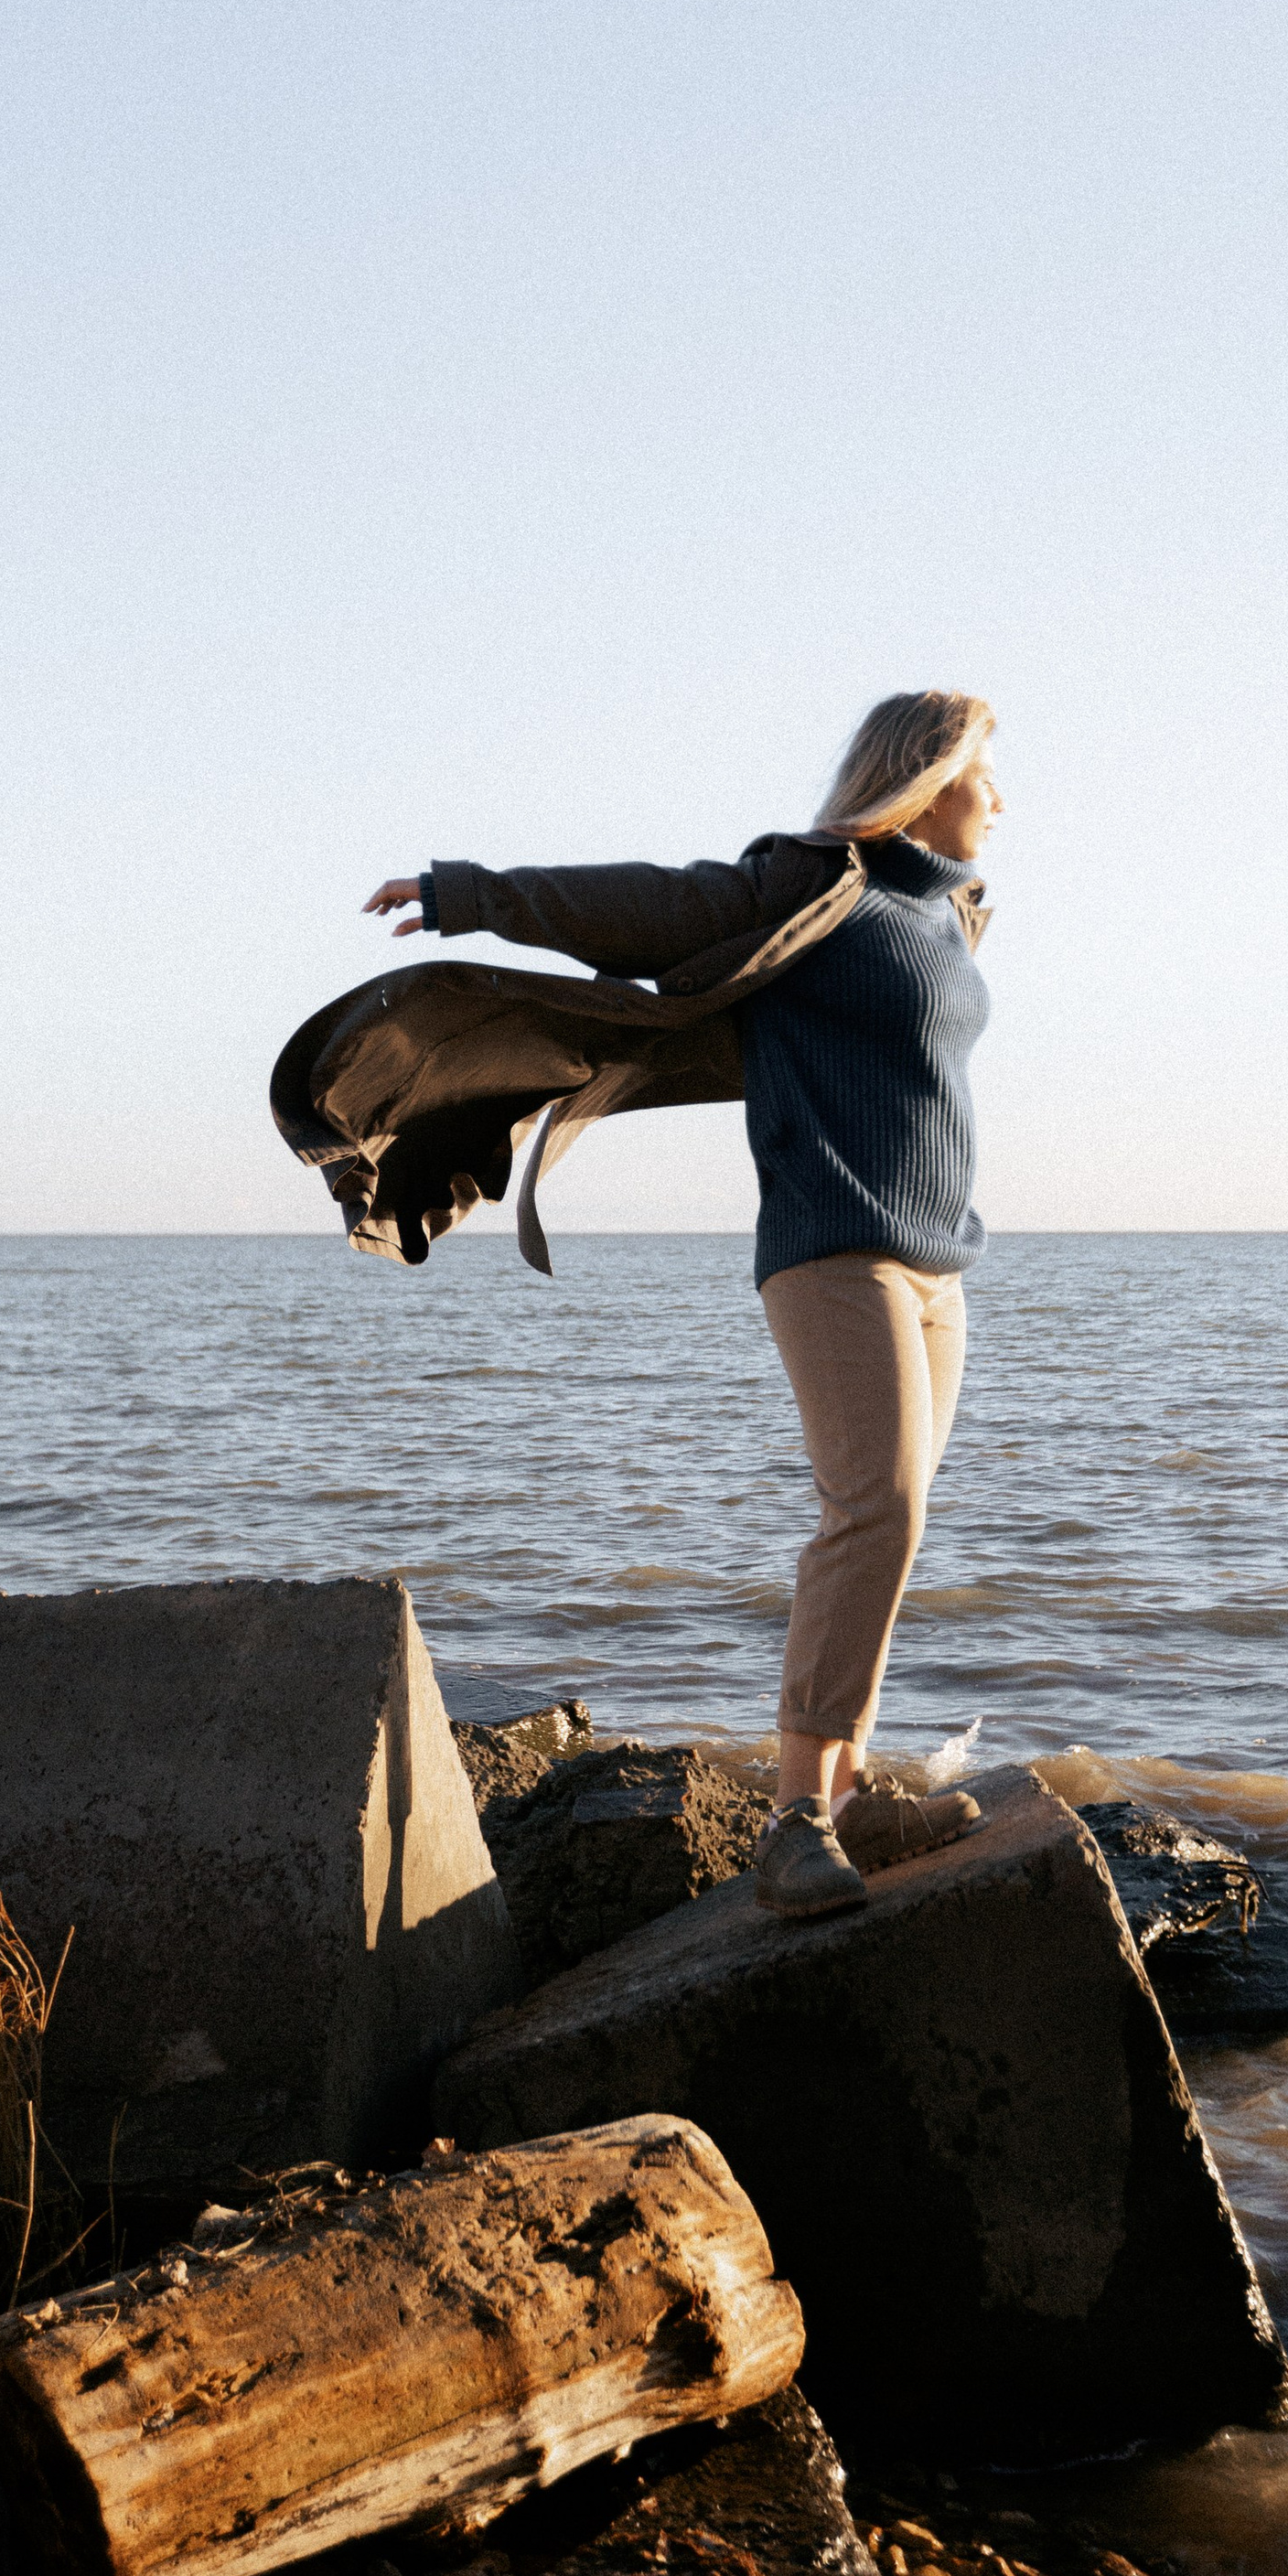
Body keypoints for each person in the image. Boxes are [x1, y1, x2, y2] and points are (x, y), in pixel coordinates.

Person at [354, 688, 1004, 1923]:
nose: (1001, 801)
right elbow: (642, 902)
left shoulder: (951, 911)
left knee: (890, 1530)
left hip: (938, 1269)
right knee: (877, 1508)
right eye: (985, 774)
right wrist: (467, 892)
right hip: (834, 1250)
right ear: (925, 780)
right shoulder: (807, 887)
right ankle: (796, 1822)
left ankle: (849, 1792)